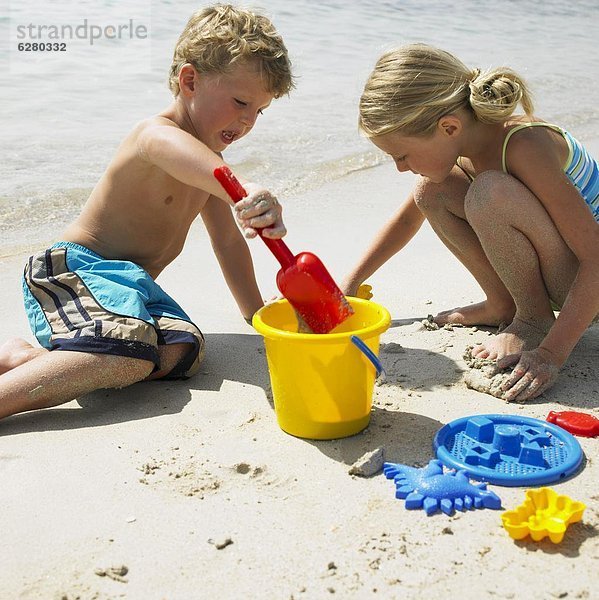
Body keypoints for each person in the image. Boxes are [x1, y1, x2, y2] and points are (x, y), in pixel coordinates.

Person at [0, 4, 294, 419]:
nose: (248, 121)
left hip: (127, 292)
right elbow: (206, 169)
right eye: (241, 102)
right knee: (132, 353)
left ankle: (25, 359)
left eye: (259, 111)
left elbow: (228, 244)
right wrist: (247, 191)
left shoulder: (209, 163)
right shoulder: (155, 137)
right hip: (72, 272)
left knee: (182, 348)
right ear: (189, 80)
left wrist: (257, 316)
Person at [342, 43, 599, 402]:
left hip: (587, 290)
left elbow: (595, 258)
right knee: (431, 190)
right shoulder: (468, 140)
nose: (400, 166)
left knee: (489, 192)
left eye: (401, 155)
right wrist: (349, 285)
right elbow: (406, 221)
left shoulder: (524, 145)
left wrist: (550, 355)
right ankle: (502, 304)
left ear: (448, 127)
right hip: (566, 272)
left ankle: (533, 319)